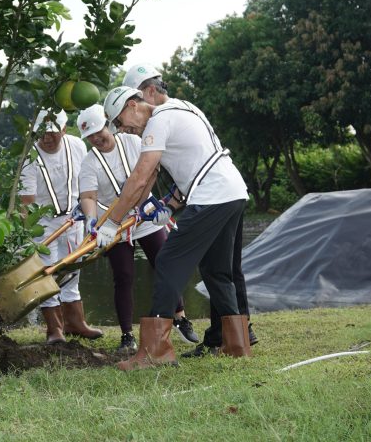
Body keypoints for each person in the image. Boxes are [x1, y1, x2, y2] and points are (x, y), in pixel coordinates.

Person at [99, 85, 251, 371]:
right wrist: (166, 206)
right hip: (233, 191)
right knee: (217, 271)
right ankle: (236, 345)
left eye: (119, 122)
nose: (121, 130)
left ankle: (155, 352)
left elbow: (142, 176)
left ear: (133, 105)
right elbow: (188, 166)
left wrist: (111, 222)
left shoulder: (158, 121)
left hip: (212, 197)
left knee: (168, 261)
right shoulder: (181, 109)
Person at [75, 104, 198, 353]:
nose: (97, 138)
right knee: (124, 277)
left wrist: (153, 205)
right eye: (90, 137)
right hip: (114, 223)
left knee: (166, 263)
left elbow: (151, 170)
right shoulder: (89, 162)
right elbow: (88, 196)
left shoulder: (131, 141)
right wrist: (91, 220)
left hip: (146, 215)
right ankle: (126, 335)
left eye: (99, 131)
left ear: (107, 125)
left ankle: (180, 318)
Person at [19, 109, 102, 344]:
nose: (46, 137)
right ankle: (54, 329)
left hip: (73, 218)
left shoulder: (77, 146)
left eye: (53, 133)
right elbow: (27, 203)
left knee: (73, 268)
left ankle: (76, 322)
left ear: (64, 130)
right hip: (42, 222)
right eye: (42, 133)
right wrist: (26, 234)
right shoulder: (29, 157)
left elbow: (86, 181)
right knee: (47, 273)